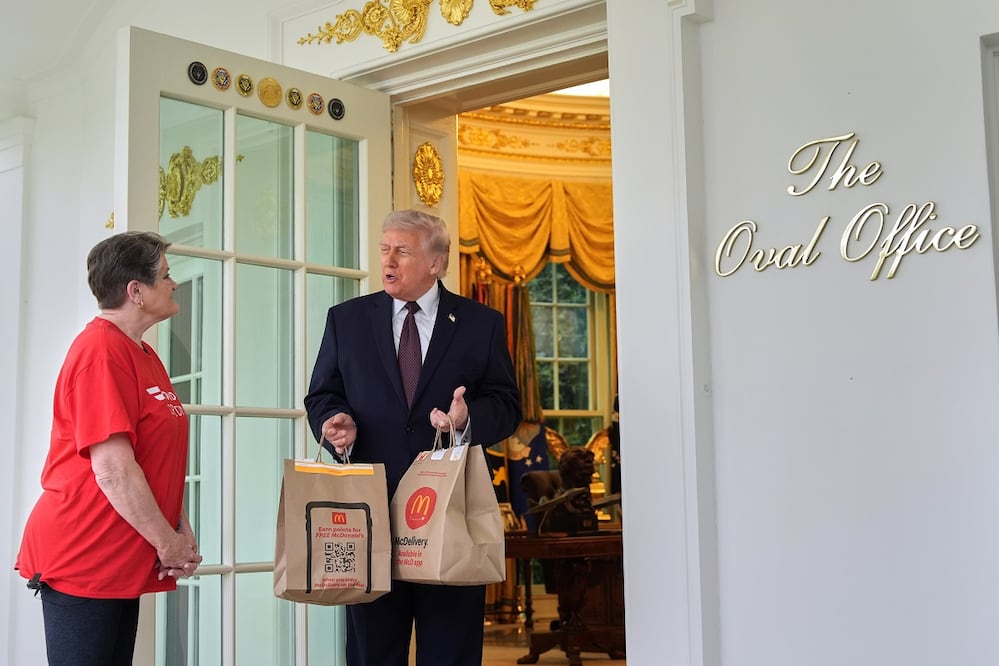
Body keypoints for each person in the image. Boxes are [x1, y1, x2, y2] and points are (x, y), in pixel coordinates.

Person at [305, 209, 521, 665]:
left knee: (450, 652)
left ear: (435, 263)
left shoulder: (481, 324)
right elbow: (322, 394)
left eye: (402, 251)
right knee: (373, 653)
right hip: (370, 514)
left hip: (448, 515)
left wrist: (467, 420)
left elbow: (507, 406)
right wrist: (333, 420)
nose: (389, 259)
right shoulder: (347, 320)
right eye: (385, 249)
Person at [15, 231, 203, 666]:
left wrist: (177, 526)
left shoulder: (143, 354)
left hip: (123, 550)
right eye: (166, 277)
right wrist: (167, 543)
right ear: (136, 291)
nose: (174, 284)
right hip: (86, 552)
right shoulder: (100, 351)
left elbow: (150, 459)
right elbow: (114, 470)